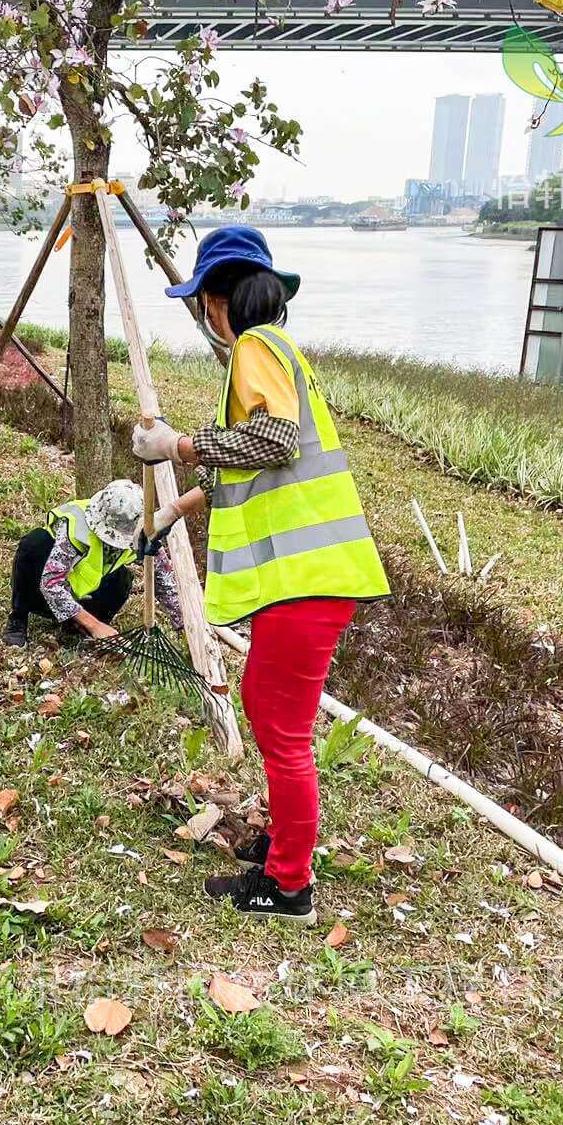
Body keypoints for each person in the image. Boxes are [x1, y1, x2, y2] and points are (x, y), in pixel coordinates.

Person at [130, 226, 389, 925]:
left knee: (280, 726)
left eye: (201, 301)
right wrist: (169, 513)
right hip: (308, 579)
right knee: (268, 705)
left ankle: (289, 885)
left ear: (218, 299)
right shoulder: (275, 354)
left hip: (307, 579)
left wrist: (175, 444)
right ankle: (284, 847)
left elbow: (270, 445)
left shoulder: (254, 347)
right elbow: (245, 471)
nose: (203, 314)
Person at [2, 479, 183, 647]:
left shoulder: (145, 534)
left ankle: (77, 625)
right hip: (44, 593)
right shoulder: (77, 525)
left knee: (124, 579)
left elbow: (164, 581)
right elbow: (50, 584)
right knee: (33, 544)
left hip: (87, 594)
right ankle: (19, 616)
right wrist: (95, 625)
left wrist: (182, 625)